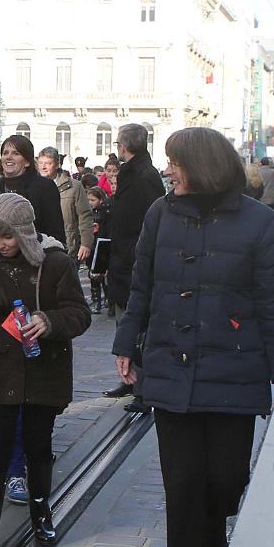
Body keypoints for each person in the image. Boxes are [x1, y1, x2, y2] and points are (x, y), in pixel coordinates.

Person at [112, 128, 274, 547]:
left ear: (201, 165)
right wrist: (126, 344)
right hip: (170, 367)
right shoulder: (160, 213)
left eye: (175, 162)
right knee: (183, 485)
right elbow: (143, 285)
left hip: (235, 369)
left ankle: (215, 527)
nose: (168, 170)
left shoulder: (261, 223)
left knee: (225, 479)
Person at [0, 192, 93, 547]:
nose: (0, 244)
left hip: (43, 370)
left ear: (24, 232)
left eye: (8, 237)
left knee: (37, 443)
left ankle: (40, 513)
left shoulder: (57, 263)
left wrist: (47, 321)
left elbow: (78, 314)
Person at [102, 123, 161, 401]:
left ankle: (141, 385)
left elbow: (145, 221)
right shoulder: (135, 173)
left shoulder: (142, 176)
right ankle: (130, 380)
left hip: (133, 259)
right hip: (125, 258)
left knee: (135, 321)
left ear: (123, 146)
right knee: (126, 320)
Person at [0, 136, 66, 244]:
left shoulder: (44, 187)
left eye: (16, 153)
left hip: (35, 255)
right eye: (5, 153)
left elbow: (55, 232)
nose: (9, 157)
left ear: (27, 161)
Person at [37, 147, 94, 265]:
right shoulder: (34, 185)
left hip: (68, 247)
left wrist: (86, 243)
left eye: (48, 163)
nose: (43, 167)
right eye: (41, 163)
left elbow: (85, 215)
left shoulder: (74, 187)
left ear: (57, 164)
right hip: (40, 247)